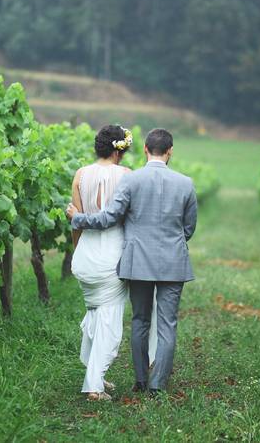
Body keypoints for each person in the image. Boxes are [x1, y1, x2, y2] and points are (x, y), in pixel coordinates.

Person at [67, 128, 198, 396]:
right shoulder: (186, 183)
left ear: (146, 150)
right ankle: (157, 384)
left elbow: (108, 218)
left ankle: (140, 381)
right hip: (173, 262)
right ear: (170, 151)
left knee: (140, 320)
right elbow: (189, 228)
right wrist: (172, 243)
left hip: (138, 262)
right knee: (167, 324)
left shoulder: (132, 180)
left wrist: (77, 218)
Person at [69, 125, 133, 401]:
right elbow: (131, 220)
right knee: (111, 318)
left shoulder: (80, 175)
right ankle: (93, 384)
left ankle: (97, 373)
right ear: (120, 151)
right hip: (112, 255)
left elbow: (76, 221)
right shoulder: (127, 177)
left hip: (85, 254)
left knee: (96, 310)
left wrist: (77, 251)